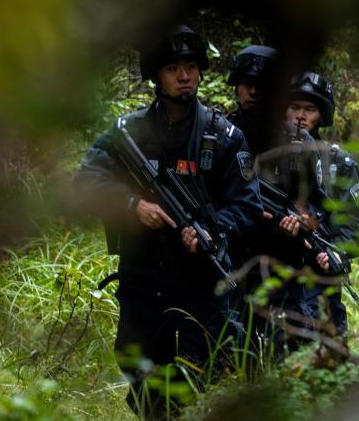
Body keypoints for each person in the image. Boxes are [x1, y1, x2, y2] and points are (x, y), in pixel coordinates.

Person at [75, 25, 263, 417]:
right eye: (173, 68)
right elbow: (86, 180)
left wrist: (212, 229)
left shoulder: (223, 136)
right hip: (142, 279)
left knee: (200, 374)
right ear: (156, 76)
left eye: (191, 67)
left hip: (199, 280)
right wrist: (132, 205)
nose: (184, 76)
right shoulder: (129, 132)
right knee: (139, 372)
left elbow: (247, 204)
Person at [226, 46, 329, 352]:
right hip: (232, 256)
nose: (255, 92)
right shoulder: (219, 134)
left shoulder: (300, 141)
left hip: (283, 259)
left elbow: (318, 202)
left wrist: (304, 220)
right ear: (236, 86)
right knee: (231, 348)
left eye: (263, 85)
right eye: (247, 84)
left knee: (284, 348)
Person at [284, 72, 359, 335]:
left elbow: (356, 228)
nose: (301, 116)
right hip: (274, 271)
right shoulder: (266, 156)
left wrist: (336, 252)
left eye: (309, 109)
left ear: (321, 115)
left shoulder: (339, 162)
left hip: (320, 274)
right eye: (294, 107)